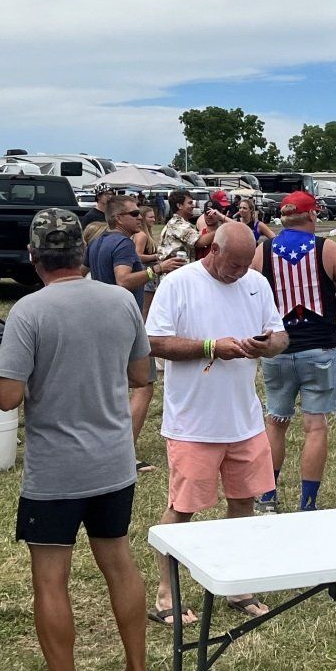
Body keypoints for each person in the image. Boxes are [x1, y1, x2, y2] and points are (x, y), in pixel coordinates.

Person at [0, 210, 156, 671]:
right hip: (112, 461)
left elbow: (6, 397)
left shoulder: (28, 311)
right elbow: (140, 374)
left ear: (36, 258)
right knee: (119, 563)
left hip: (55, 469)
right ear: (83, 256)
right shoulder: (120, 301)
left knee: (51, 580)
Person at [144, 221, 287, 626]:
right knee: (183, 509)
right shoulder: (179, 284)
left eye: (246, 264)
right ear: (212, 251)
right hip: (194, 423)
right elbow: (154, 342)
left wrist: (268, 344)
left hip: (244, 420)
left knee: (243, 504)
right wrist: (211, 347)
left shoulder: (256, 283)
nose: (239, 272)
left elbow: (280, 337)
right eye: (233, 264)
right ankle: (167, 595)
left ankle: (235, 584)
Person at [255, 190, 336, 512]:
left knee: (276, 422)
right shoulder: (325, 249)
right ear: (313, 216)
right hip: (318, 349)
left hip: (277, 348)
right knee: (315, 426)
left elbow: (250, 292)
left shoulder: (264, 250)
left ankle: (267, 497)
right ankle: (308, 503)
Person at [89, 196, 185, 438]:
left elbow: (79, 274)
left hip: (100, 321)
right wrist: (158, 269)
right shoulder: (123, 244)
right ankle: (125, 449)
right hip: (124, 324)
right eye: (134, 214)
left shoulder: (97, 241)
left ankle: (106, 439)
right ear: (118, 218)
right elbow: (123, 280)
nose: (140, 217)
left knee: (112, 387)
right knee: (144, 385)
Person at [158, 190, 203, 265]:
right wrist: (219, 229)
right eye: (190, 203)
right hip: (175, 273)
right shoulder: (177, 224)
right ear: (179, 206)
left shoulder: (180, 223)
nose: (193, 206)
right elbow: (200, 242)